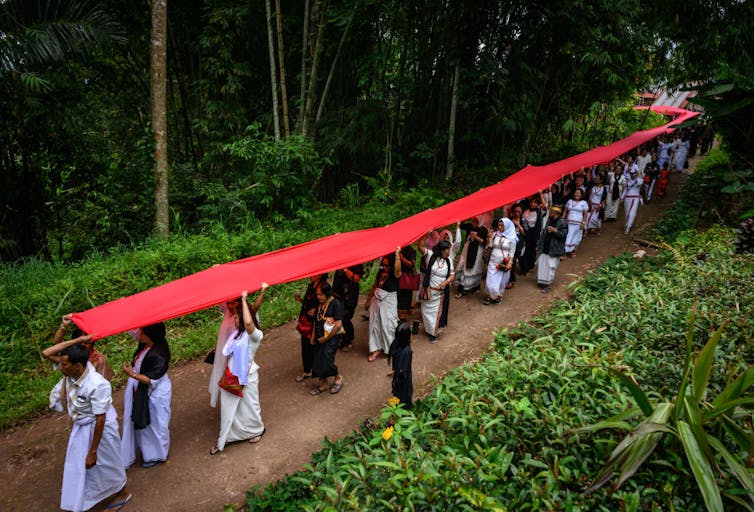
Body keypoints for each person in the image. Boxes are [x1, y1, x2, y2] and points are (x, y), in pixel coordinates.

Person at [49, 343, 130, 512]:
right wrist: (73, 334)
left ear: (77, 366)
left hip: (99, 429)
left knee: (107, 462)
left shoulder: (97, 384)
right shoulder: (72, 374)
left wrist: (93, 451)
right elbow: (46, 353)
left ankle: (122, 493)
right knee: (84, 466)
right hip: (82, 427)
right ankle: (87, 497)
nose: (60, 367)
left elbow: (100, 419)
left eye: (64, 364)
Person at [209, 290, 266, 454]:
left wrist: (244, 300)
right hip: (232, 376)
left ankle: (256, 430)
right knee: (228, 409)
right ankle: (224, 439)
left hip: (247, 376)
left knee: (250, 408)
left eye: (236, 317)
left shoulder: (255, 336)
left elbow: (249, 322)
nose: (232, 318)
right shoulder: (236, 335)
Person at [121, 322, 171, 469]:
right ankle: (148, 451)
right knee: (145, 422)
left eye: (142, 333)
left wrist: (132, 374)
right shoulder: (147, 345)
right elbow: (132, 329)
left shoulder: (159, 354)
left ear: (151, 335)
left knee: (156, 423)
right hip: (142, 389)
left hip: (155, 393)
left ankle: (158, 454)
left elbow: (151, 380)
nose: (139, 334)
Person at [209, 285, 267, 408]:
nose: (229, 306)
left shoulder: (251, 333)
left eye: (233, 303)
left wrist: (257, 294)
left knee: (247, 399)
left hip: (243, 368)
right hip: (231, 360)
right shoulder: (231, 318)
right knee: (232, 393)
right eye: (228, 303)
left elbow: (252, 313)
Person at [45, 314, 114, 381]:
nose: (83, 345)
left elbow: (104, 383)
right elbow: (51, 349)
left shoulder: (98, 359)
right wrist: (64, 326)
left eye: (86, 343)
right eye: (79, 342)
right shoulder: (71, 355)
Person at [365, 248, 402, 362]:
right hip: (377, 300)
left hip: (389, 301)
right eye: (383, 265)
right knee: (375, 324)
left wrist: (397, 255)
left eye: (387, 266)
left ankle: (392, 349)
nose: (384, 267)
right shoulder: (381, 273)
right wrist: (368, 299)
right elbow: (375, 286)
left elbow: (397, 269)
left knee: (389, 325)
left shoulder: (395, 274)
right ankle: (376, 348)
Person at [310, 283, 345, 395]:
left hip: (331, 338)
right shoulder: (320, 304)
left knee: (327, 360)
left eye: (321, 295)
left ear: (328, 293)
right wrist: (313, 336)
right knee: (317, 360)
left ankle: (338, 377)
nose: (319, 297)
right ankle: (323, 383)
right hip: (319, 338)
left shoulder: (336, 304)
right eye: (317, 295)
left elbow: (338, 325)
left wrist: (326, 338)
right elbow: (316, 321)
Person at [417, 237, 455, 343]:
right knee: (425, 312)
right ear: (442, 250)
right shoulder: (430, 256)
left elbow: (452, 275)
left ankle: (434, 334)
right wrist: (426, 234)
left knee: (436, 314)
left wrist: (445, 283)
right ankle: (430, 329)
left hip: (440, 294)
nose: (449, 251)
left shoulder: (449, 261)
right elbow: (420, 246)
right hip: (428, 291)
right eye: (448, 249)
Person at [294, 274, 328, 382]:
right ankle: (307, 370)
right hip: (306, 321)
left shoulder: (324, 287)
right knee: (305, 346)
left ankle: (320, 373)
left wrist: (317, 311)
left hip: (317, 322)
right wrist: (300, 300)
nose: (311, 275)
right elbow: (307, 303)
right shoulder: (311, 286)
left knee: (315, 346)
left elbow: (329, 303)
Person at [483, 218, 516, 305]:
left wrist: (510, 262)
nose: (500, 227)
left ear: (507, 226)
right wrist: (489, 238)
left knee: (501, 280)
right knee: (490, 279)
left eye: (502, 226)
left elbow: (512, 252)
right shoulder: (495, 234)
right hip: (493, 261)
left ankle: (498, 296)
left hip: (503, 262)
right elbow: (490, 246)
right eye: (499, 225)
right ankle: (489, 296)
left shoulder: (512, 238)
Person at [536, 206, 568, 293]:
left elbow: (563, 235)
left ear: (555, 212)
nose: (550, 212)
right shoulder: (549, 220)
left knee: (551, 266)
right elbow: (544, 233)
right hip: (545, 247)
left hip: (554, 248)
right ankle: (542, 282)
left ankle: (548, 285)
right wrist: (539, 245)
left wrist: (555, 231)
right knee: (542, 265)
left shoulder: (562, 222)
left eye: (551, 211)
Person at [332, 265, 363, 352]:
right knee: (337, 317)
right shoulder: (340, 259)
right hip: (337, 295)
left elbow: (356, 279)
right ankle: (340, 339)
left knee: (345, 318)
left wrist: (345, 269)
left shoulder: (356, 263)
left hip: (349, 298)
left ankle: (347, 339)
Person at [455, 216, 488, 297]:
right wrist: (466, 216)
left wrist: (475, 237)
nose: (474, 223)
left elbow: (484, 242)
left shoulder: (483, 229)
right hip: (467, 249)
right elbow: (461, 225)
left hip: (477, 251)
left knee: (475, 269)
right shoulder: (469, 226)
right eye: (473, 221)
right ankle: (462, 288)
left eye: (476, 221)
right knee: (463, 267)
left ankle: (475, 287)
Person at [388, 321, 413, 409]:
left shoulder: (396, 343)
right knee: (405, 396)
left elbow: (395, 360)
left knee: (396, 393)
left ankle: (393, 410)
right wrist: (397, 373)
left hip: (397, 378)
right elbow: (403, 369)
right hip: (403, 377)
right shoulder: (407, 351)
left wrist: (395, 371)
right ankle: (402, 414)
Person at [519, 196, 545, 275]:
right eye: (531, 202)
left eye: (534, 202)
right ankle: (523, 267)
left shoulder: (539, 212)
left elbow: (545, 208)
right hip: (523, 233)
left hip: (532, 235)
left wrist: (540, 194)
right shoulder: (526, 211)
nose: (532, 204)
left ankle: (526, 269)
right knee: (521, 251)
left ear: (537, 204)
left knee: (528, 252)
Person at [563, 188, 588, 256]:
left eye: (579, 193)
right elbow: (565, 211)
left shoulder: (584, 203)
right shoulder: (570, 201)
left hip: (579, 223)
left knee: (577, 237)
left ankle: (573, 251)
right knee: (568, 236)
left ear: (582, 195)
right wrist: (562, 219)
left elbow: (585, 214)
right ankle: (564, 252)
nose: (577, 194)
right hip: (569, 222)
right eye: (576, 192)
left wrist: (583, 223)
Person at [396, 245, 417, 321]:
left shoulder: (411, 250)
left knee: (406, 298)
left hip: (407, 277)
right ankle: (399, 317)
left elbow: (412, 264)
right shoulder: (397, 248)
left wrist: (401, 258)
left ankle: (403, 319)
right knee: (399, 298)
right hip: (398, 276)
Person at [622, 168, 643, 234]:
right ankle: (627, 224)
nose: (632, 175)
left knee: (632, 213)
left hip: (635, 198)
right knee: (627, 213)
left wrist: (637, 175)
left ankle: (628, 227)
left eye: (633, 173)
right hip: (627, 198)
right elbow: (625, 189)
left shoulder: (639, 180)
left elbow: (640, 183)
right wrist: (622, 198)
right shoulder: (627, 180)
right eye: (631, 173)